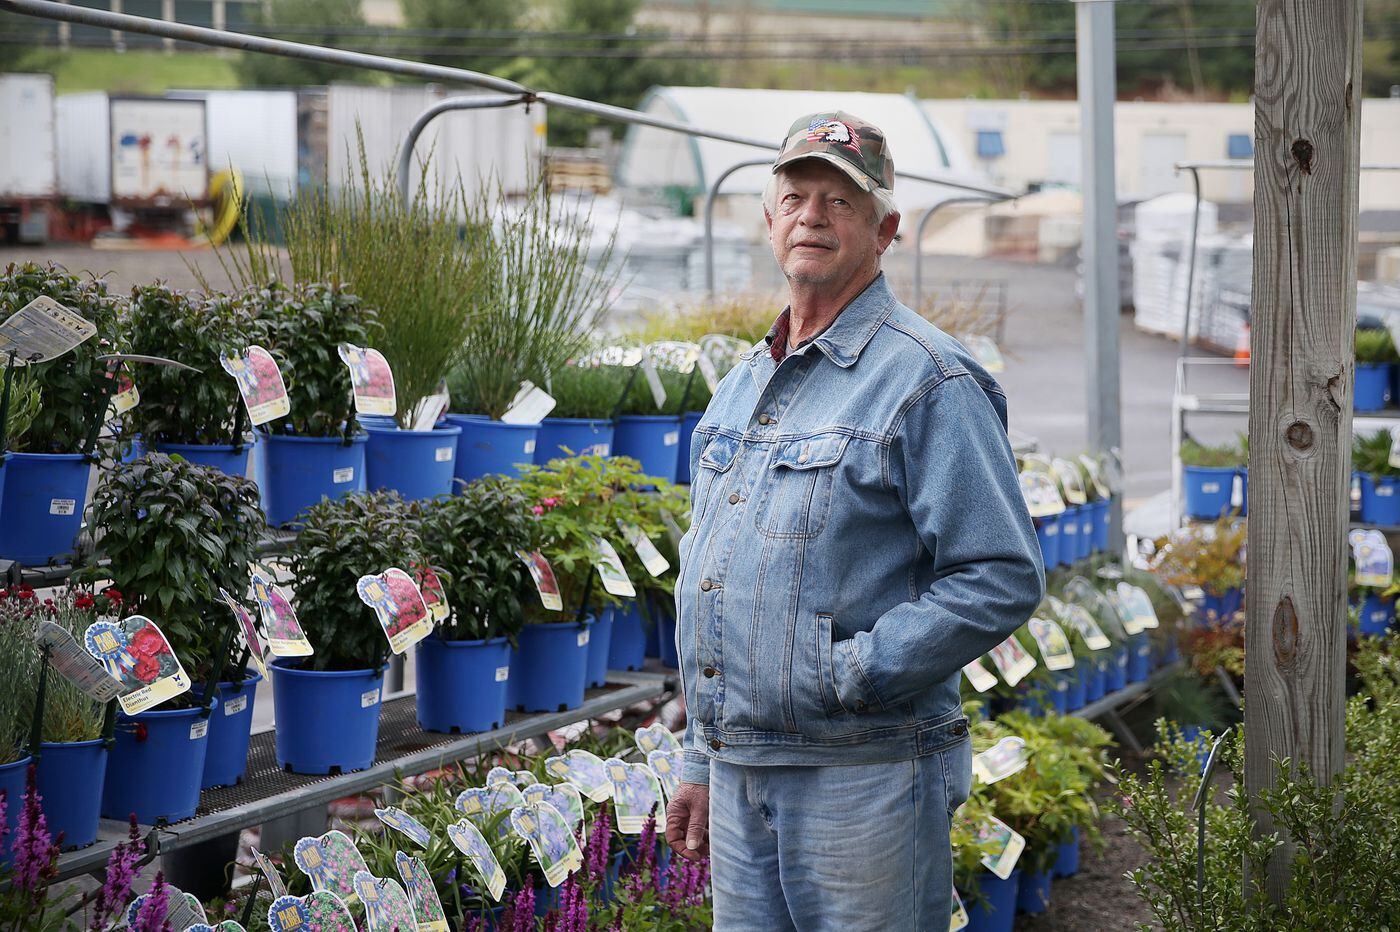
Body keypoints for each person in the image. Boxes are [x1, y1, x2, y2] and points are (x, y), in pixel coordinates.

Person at [664, 111, 1045, 930]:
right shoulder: (742, 383)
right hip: (740, 775)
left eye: (840, 201)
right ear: (769, 221)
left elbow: (1001, 574)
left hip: (864, 774)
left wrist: (848, 673)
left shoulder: (928, 379)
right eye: (796, 196)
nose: (812, 216)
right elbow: (712, 572)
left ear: (886, 229)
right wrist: (699, 753)